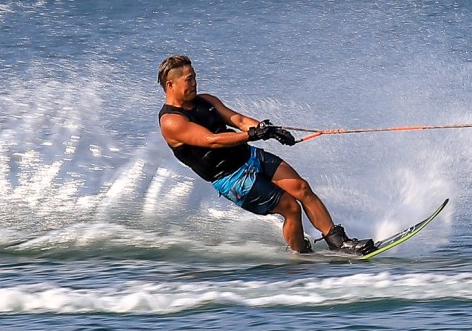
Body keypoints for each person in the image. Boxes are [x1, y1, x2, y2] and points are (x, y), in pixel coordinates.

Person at [157, 55, 373, 255]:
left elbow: (239, 120)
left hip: (249, 156)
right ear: (171, 85)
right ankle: (302, 255)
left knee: (302, 187)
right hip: (232, 178)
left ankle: (339, 243)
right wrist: (253, 134)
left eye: (195, 77)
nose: (195, 83)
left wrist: (267, 129)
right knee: (290, 207)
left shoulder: (207, 100)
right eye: (189, 79)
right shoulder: (171, 121)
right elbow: (211, 141)